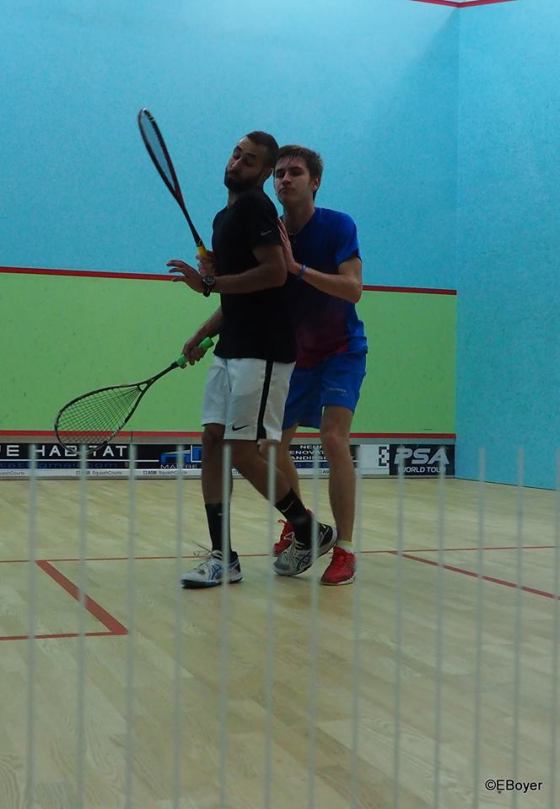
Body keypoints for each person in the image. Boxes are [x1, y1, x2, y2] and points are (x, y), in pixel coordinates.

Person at [167, 132, 336, 588]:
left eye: (249, 160)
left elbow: (275, 273)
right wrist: (202, 332)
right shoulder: (224, 217)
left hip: (263, 351)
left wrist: (209, 283)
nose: (237, 163)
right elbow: (236, 293)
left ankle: (308, 529)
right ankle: (223, 556)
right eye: (236, 154)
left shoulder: (257, 208)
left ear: (263, 172)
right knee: (212, 442)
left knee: (243, 452)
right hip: (232, 346)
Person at [270, 145, 367, 586]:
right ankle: (303, 525)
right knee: (272, 446)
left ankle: (344, 548)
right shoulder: (270, 234)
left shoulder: (338, 225)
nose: (285, 179)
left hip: (343, 351)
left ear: (315, 182)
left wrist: (298, 268)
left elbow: (353, 288)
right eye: (279, 173)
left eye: (294, 172)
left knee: (332, 438)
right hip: (298, 359)